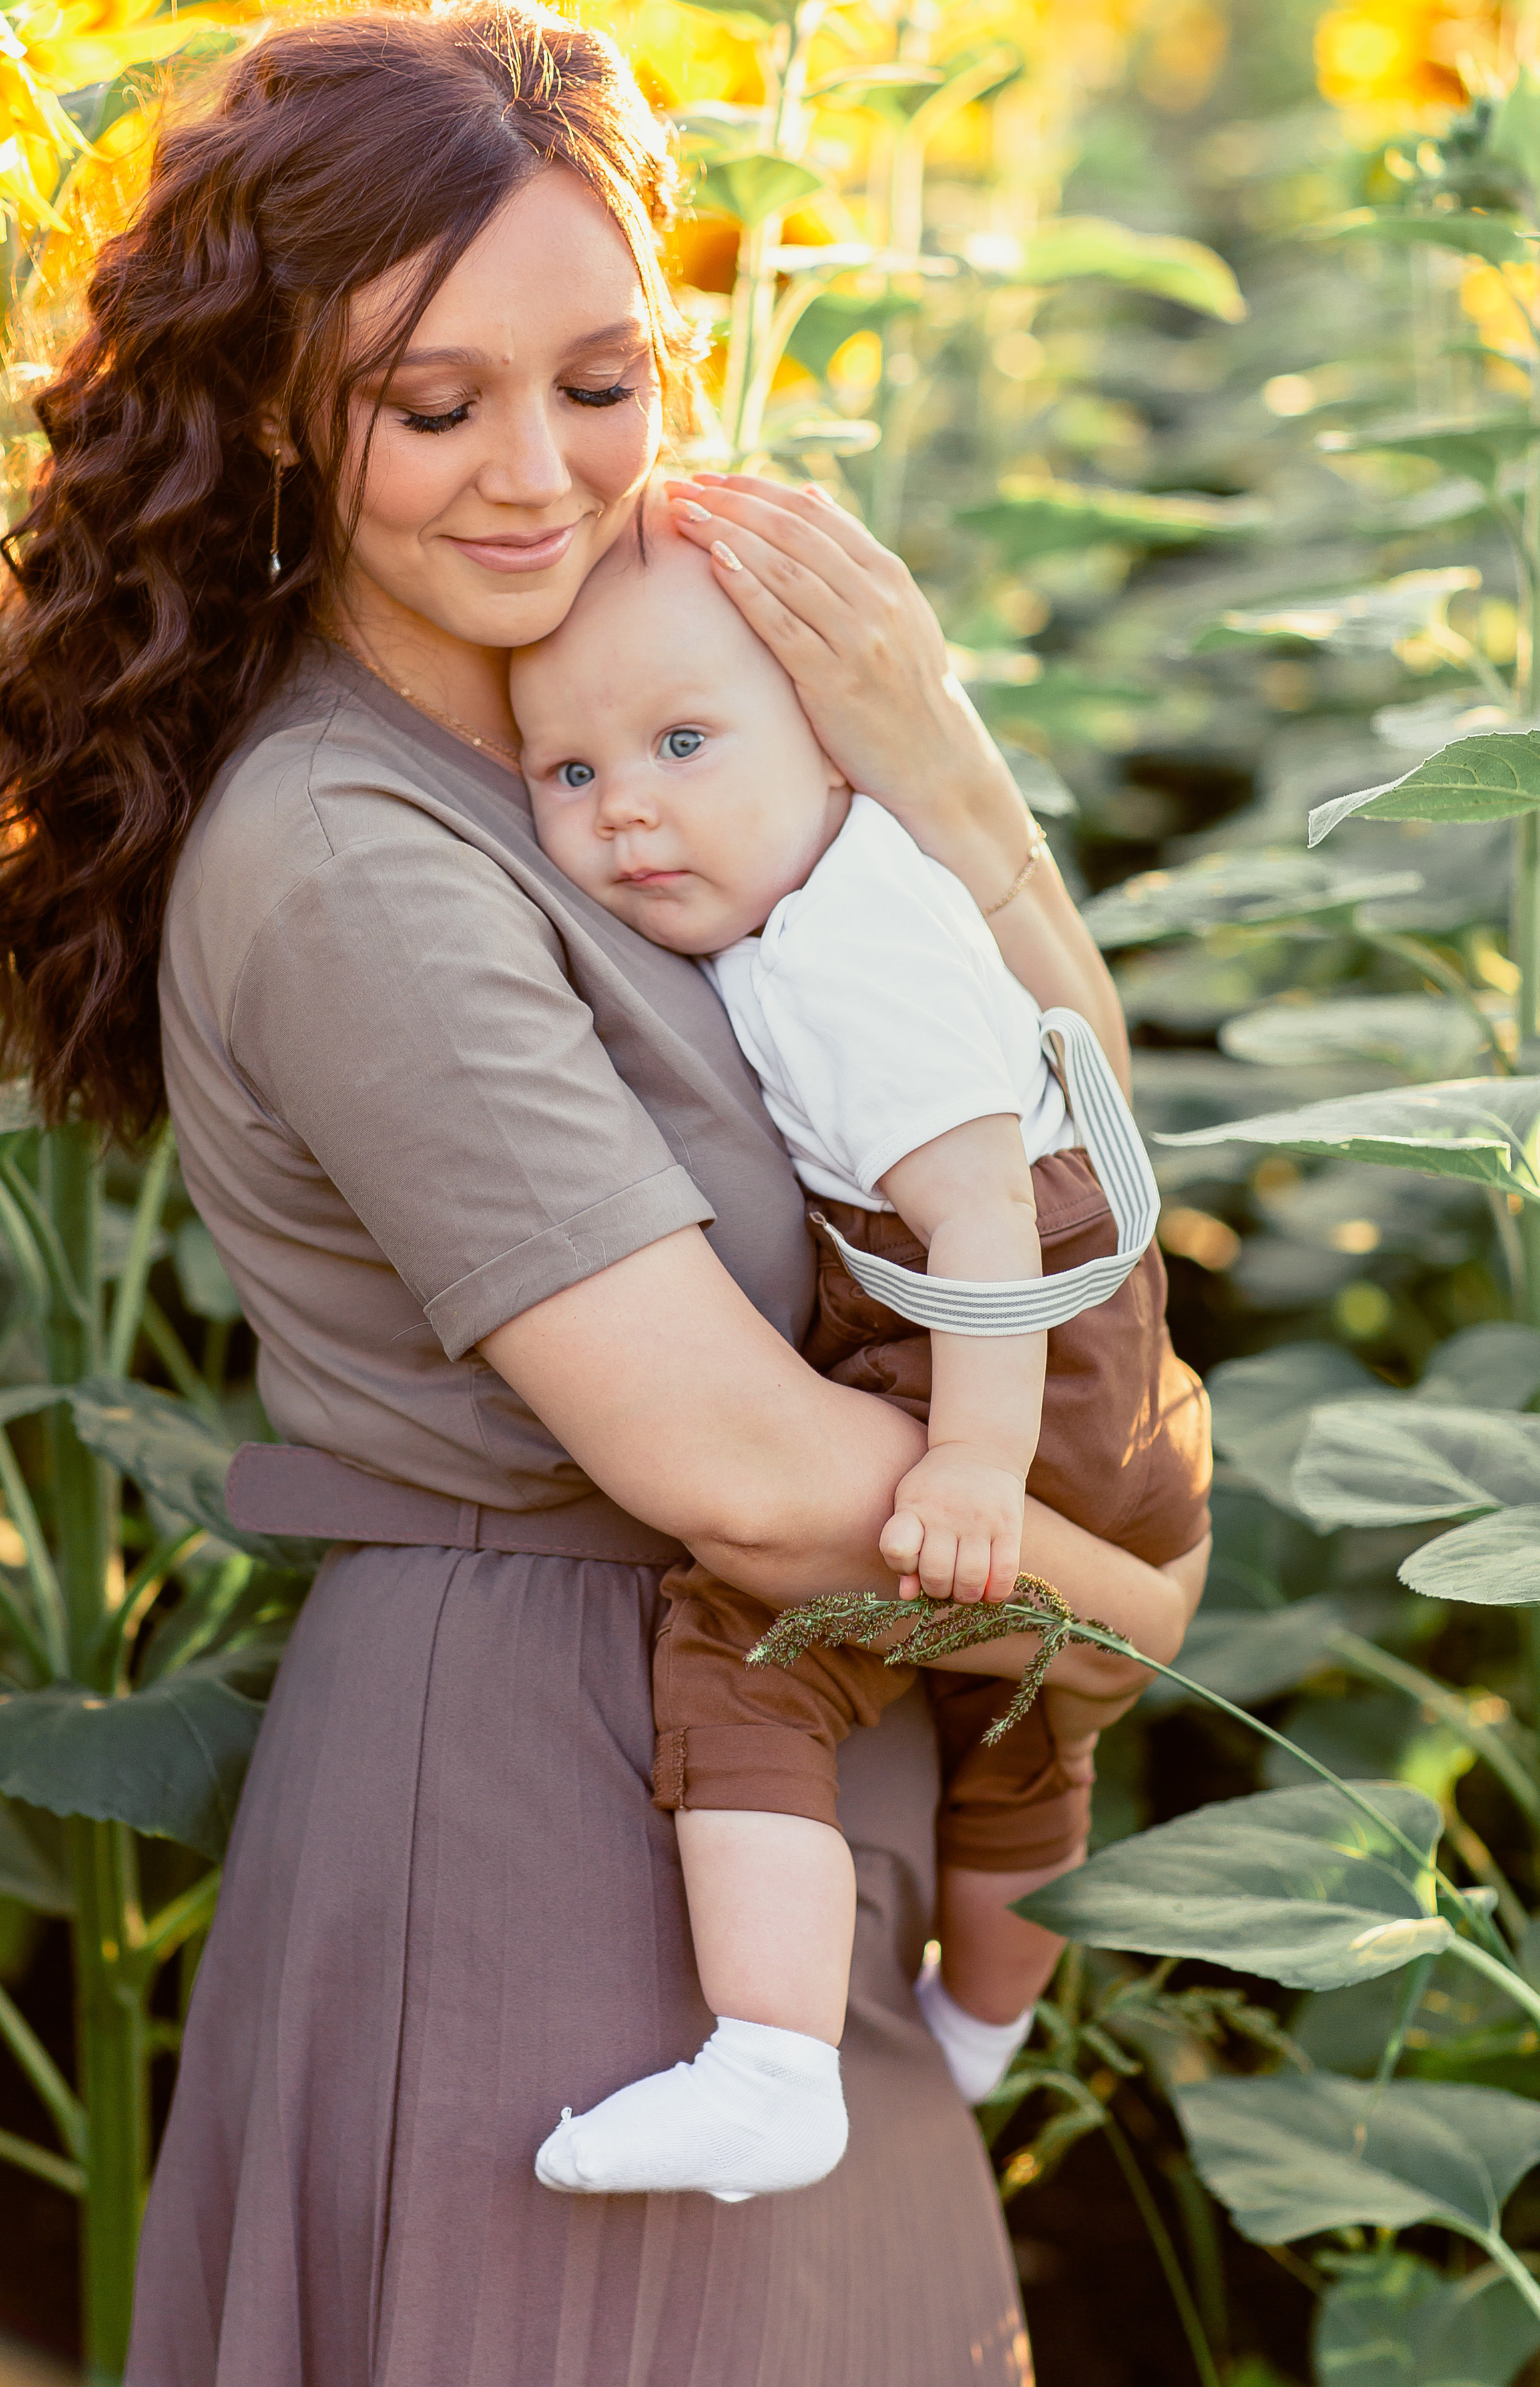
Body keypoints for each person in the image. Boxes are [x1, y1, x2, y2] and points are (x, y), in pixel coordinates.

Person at [0, 0, 1197, 2387]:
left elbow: (1051, 1178)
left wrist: (933, 759)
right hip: (555, 1820)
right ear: (282, 403)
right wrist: (1126, 1595)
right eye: (435, 403)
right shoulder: (354, 852)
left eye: (602, 382)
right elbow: (724, 1455)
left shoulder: (635, 730)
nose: (538, 472)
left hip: (799, 1760)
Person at [509, 526, 1212, 2205]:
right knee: (1027, 1744)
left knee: (753, 1647)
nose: (625, 808)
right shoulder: (826, 893)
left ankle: (771, 2061)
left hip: (1000, 1371)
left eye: (685, 745)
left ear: (826, 740)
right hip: (1088, 1391)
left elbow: (978, 1225)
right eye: (569, 767)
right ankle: (979, 2037)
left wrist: (968, 1469)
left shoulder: (842, 949)